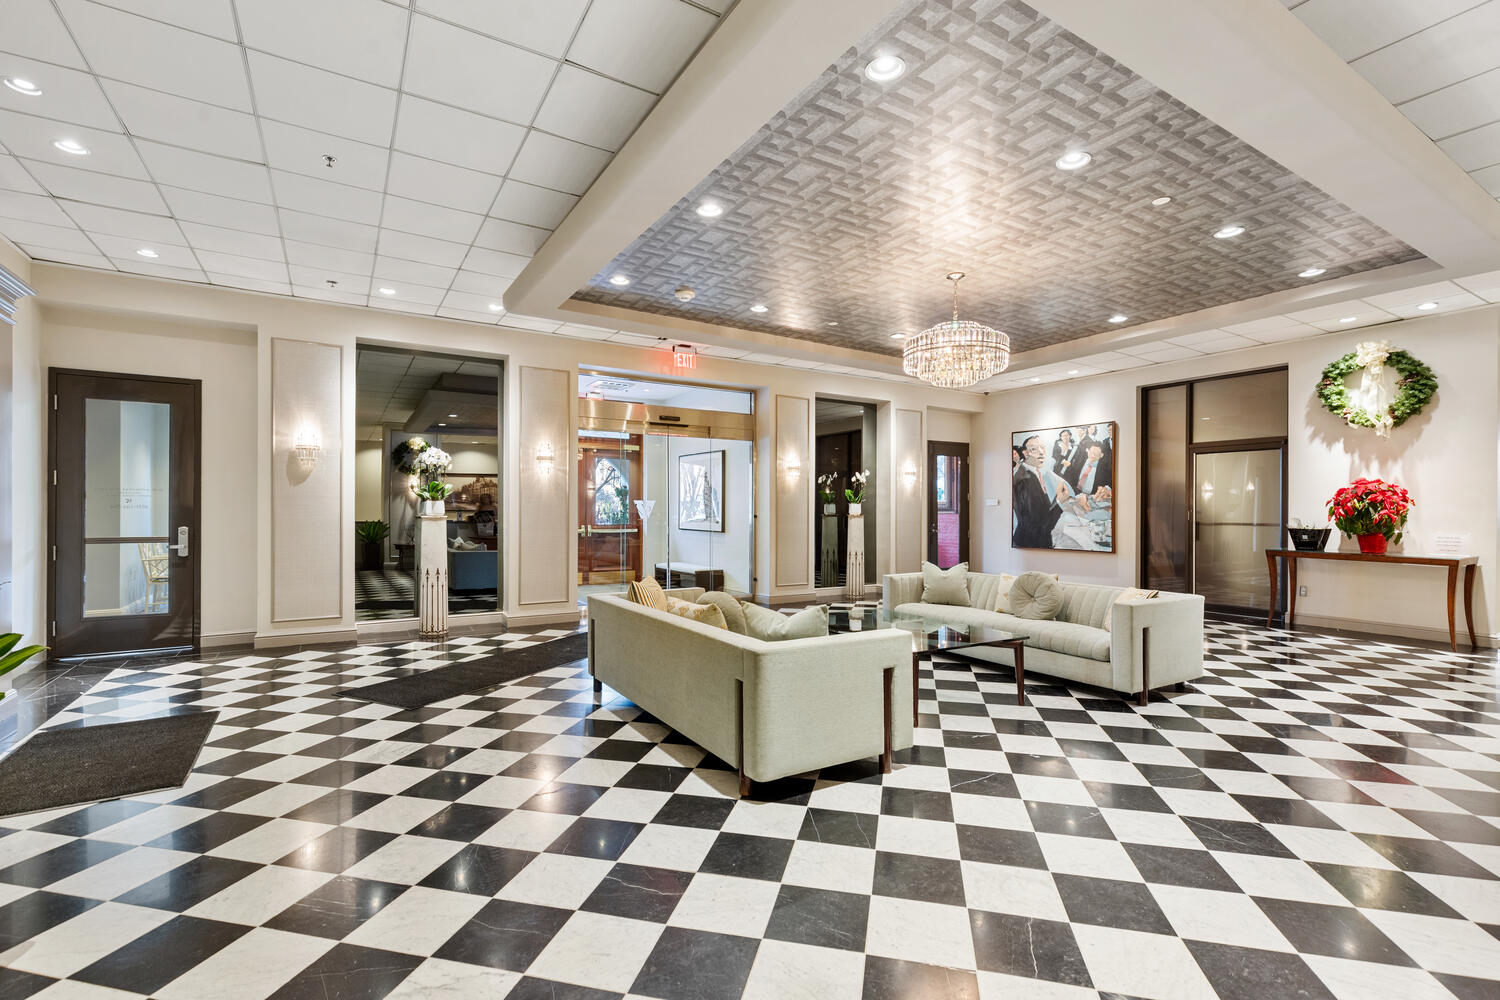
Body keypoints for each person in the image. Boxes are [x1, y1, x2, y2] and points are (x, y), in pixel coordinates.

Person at [1013, 434, 1070, 548]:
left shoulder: (1033, 473)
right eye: (1034, 449)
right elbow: (1041, 523)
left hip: (1033, 541)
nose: (1041, 452)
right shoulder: (1025, 479)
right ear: (1025, 453)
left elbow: (1041, 512)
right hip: (1031, 543)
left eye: (1042, 448)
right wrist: (1059, 501)